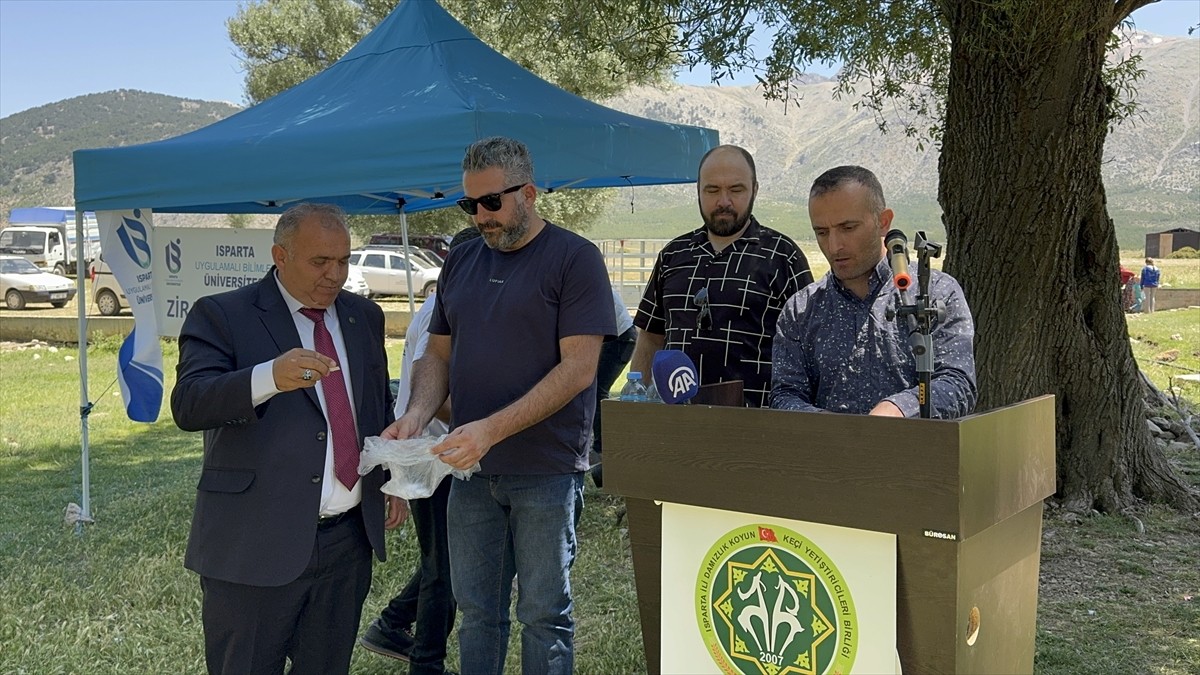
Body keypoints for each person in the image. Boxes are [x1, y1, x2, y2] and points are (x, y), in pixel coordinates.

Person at [382, 136, 614, 675]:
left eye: (492, 202)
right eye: (470, 204)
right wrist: (416, 414)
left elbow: (579, 369)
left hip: (546, 471)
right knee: (477, 613)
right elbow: (436, 355)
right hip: (470, 472)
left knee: (544, 614)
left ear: (528, 193)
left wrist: (490, 429)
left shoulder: (575, 258)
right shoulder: (461, 260)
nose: (481, 217)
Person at [171, 203, 405, 674]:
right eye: (320, 262)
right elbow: (190, 404)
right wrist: (267, 378)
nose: (335, 275)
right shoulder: (223, 314)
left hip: (346, 544)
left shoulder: (363, 316)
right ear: (280, 256)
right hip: (254, 543)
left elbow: (374, 408)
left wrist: (390, 476)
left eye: (343, 260)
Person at [360, 227, 482, 675]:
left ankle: (393, 624)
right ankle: (425, 662)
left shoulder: (447, 305)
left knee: (446, 563)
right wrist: (493, 426)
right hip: (435, 455)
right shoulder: (441, 313)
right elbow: (430, 392)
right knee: (445, 570)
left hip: (441, 453)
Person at [770, 165, 977, 418]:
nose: (834, 246)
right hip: (829, 443)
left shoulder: (935, 292)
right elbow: (785, 394)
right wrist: (833, 429)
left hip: (912, 442)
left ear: (883, 222)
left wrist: (900, 408)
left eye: (848, 228)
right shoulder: (800, 310)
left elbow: (957, 383)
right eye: (822, 232)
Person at [630, 144, 813, 407]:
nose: (723, 202)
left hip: (758, 422)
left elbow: (808, 348)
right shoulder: (673, 255)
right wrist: (637, 406)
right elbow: (651, 336)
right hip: (676, 422)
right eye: (712, 190)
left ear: (754, 190)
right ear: (698, 191)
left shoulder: (784, 256)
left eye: (736, 190)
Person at [589, 287, 637, 488]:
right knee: (594, 389)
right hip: (619, 335)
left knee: (597, 391)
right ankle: (599, 449)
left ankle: (601, 450)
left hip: (621, 338)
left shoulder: (587, 282)